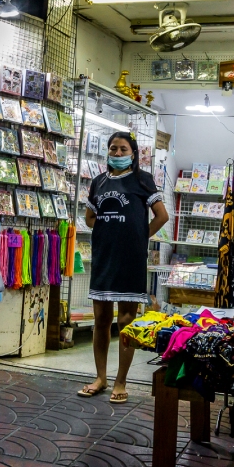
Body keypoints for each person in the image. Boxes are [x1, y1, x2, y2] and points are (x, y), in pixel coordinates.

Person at [78, 132, 169, 403]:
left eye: (122, 149)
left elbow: (162, 216)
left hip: (131, 260)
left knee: (126, 320)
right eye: (113, 149)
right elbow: (90, 217)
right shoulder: (98, 182)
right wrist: (111, 230)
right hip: (104, 257)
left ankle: (121, 381)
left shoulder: (143, 180)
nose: (117, 154)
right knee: (101, 320)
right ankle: (101, 377)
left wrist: (139, 239)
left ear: (134, 153)